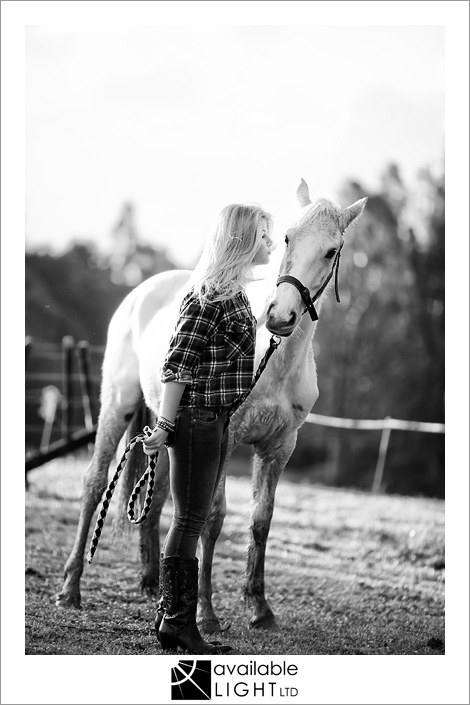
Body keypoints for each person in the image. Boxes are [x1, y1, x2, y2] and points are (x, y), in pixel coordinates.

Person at [143, 202, 273, 654]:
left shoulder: (235, 293)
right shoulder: (209, 294)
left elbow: (226, 350)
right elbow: (177, 365)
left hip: (215, 418)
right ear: (241, 240)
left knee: (191, 519)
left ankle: (171, 618)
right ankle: (178, 623)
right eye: (263, 235)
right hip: (196, 418)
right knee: (190, 519)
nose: (271, 243)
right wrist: (164, 423)